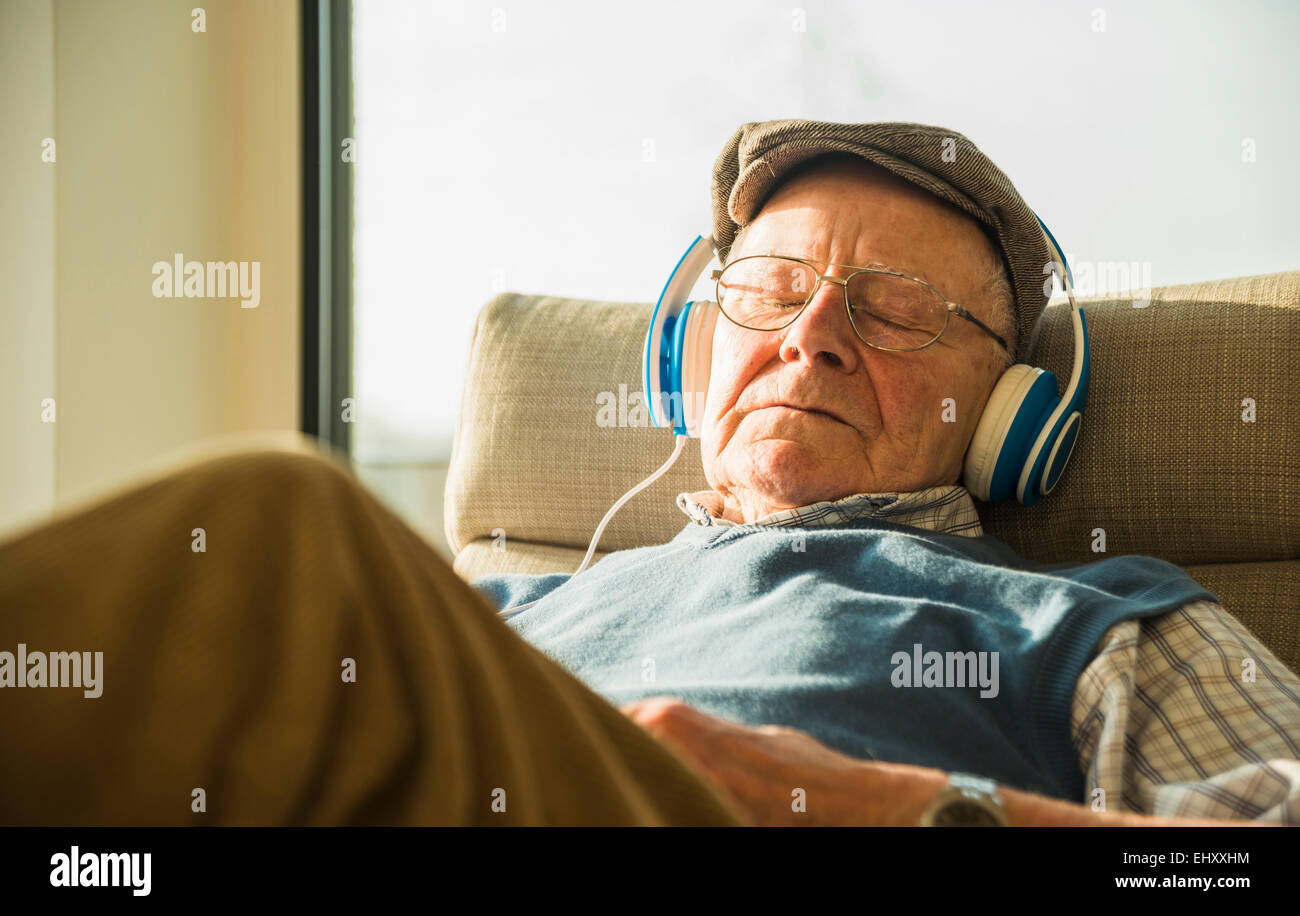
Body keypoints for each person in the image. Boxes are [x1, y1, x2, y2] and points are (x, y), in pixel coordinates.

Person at [2, 120, 1295, 826]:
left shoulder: (1102, 624)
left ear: (1010, 411)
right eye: (771, 292)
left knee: (278, 524)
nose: (812, 337)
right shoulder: (495, 618)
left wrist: (916, 813)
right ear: (689, 354)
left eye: (896, 310)